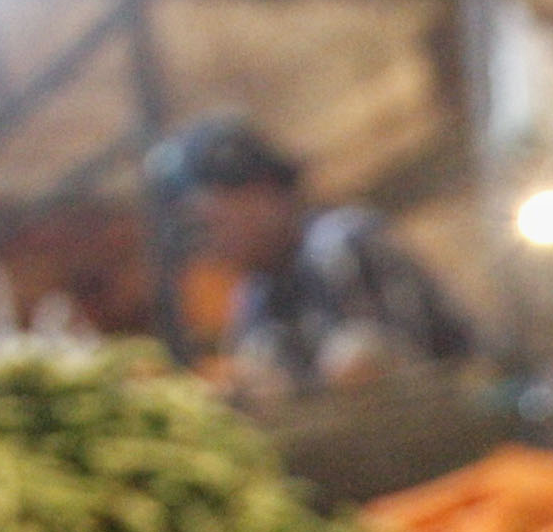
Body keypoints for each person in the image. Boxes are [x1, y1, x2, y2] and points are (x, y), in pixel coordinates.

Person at [153, 117, 477, 394]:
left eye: (212, 223)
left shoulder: (343, 243)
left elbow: (378, 369)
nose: (211, 242)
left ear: (262, 194)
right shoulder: (254, 297)